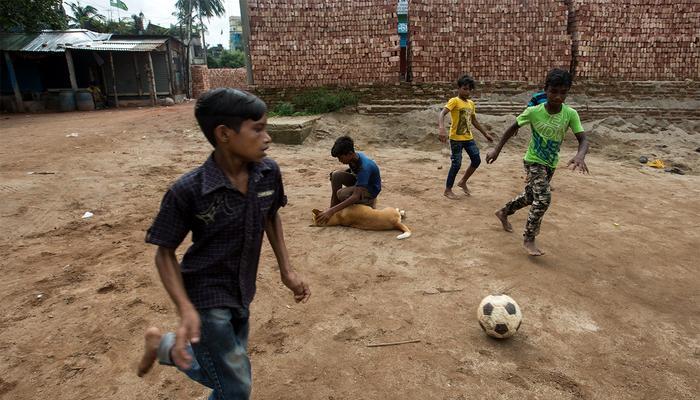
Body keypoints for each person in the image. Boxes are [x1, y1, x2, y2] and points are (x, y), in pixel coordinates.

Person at [136, 88, 310, 399]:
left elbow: (271, 216)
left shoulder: (268, 173)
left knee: (228, 372)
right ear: (224, 134)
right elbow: (164, 253)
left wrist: (287, 270)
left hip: (242, 289)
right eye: (257, 129)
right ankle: (165, 346)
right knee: (236, 385)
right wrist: (185, 308)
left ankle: (162, 346)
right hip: (205, 294)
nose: (267, 137)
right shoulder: (189, 190)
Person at [485, 68, 589, 256]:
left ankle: (504, 211)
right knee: (543, 198)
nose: (558, 96)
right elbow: (511, 128)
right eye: (554, 91)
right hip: (533, 161)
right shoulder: (533, 111)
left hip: (551, 163)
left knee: (531, 197)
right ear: (545, 90)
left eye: (563, 92)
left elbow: (583, 139)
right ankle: (529, 238)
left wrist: (580, 155)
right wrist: (497, 149)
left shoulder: (570, 114)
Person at [438, 74, 495, 199]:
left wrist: (485, 133)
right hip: (456, 139)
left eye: (469, 89)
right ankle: (448, 190)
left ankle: (463, 181)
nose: (467, 91)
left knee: (476, 160)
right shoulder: (454, 101)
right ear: (459, 88)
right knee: (456, 164)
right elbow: (442, 113)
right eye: (464, 88)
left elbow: (474, 121)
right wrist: (441, 128)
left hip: (468, 138)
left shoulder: (471, 104)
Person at [315, 136, 381, 225]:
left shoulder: (364, 167)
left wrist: (331, 211)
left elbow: (355, 196)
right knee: (336, 175)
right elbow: (354, 172)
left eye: (340, 158)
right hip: (360, 182)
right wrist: (331, 209)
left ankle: (368, 203)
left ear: (349, 153)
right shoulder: (354, 157)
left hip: (370, 190)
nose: (339, 160)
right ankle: (333, 207)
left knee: (341, 194)